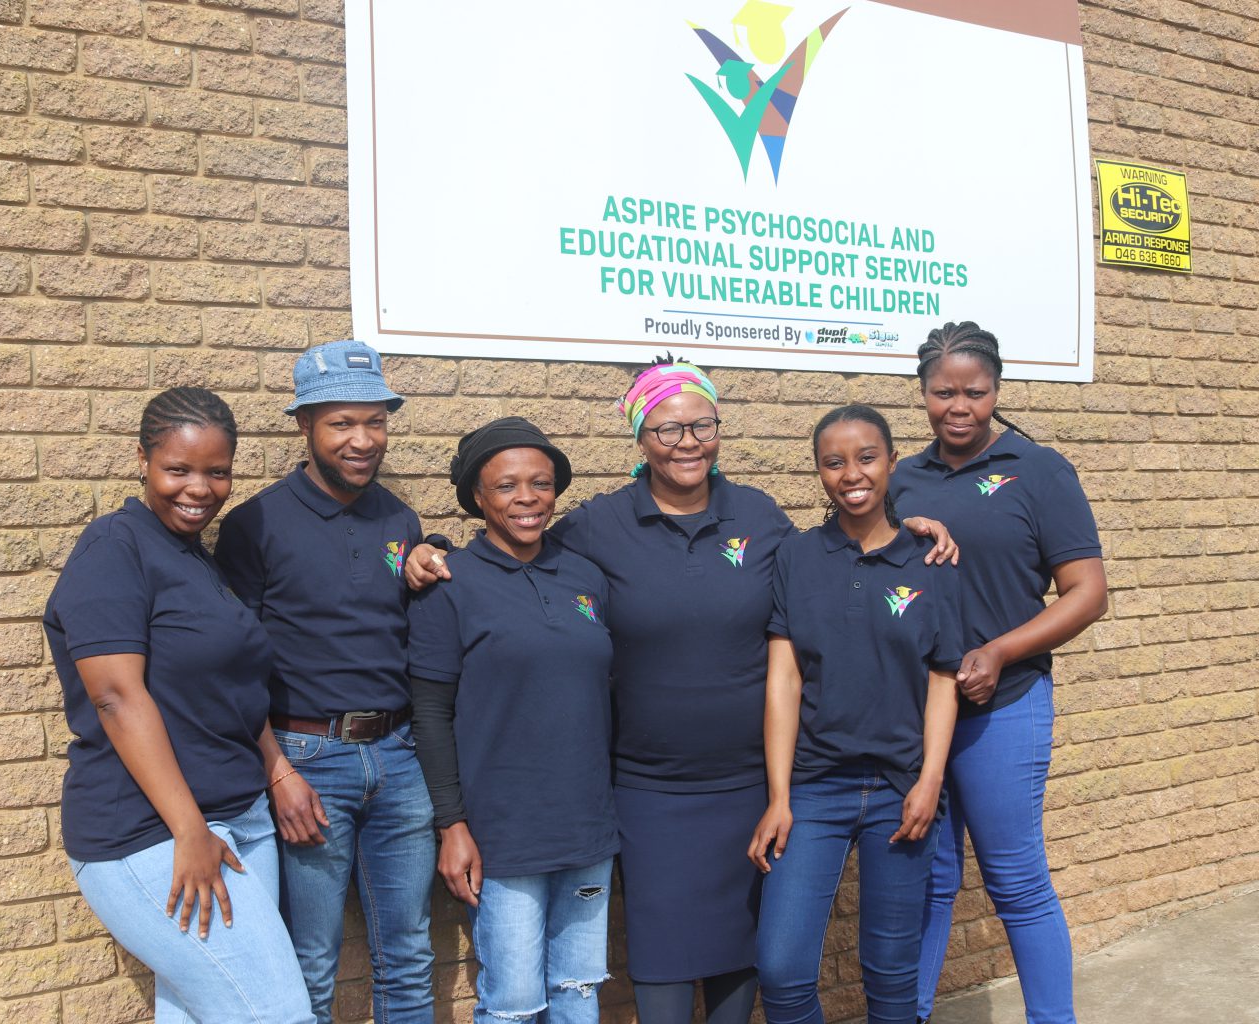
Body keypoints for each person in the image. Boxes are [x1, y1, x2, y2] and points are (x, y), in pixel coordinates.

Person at [405, 358, 958, 1024]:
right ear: (640, 439)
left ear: (719, 430)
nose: (687, 442)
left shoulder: (757, 515)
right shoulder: (600, 526)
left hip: (753, 788)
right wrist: (430, 547)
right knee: (663, 975)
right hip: (649, 791)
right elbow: (518, 544)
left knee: (745, 963)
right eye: (666, 430)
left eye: (701, 425)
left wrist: (916, 528)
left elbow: (838, 556)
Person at [45, 387, 313, 1024]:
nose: (199, 488)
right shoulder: (116, 547)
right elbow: (114, 696)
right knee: (276, 1013)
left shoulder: (196, 559)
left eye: (217, 472)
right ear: (142, 460)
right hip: (152, 832)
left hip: (240, 819)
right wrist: (189, 830)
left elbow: (229, 688)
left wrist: (276, 769)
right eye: (179, 469)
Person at [214, 340, 435, 1024]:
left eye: (375, 421)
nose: (362, 440)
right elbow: (231, 667)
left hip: (399, 759)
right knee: (309, 960)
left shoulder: (400, 519)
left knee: (410, 954)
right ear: (304, 425)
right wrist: (276, 771)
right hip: (308, 762)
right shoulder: (255, 523)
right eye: (342, 423)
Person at [894, 322, 1107, 1024]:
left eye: (975, 392)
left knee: (1015, 880)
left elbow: (1087, 593)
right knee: (927, 881)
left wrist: (1001, 652)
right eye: (942, 392)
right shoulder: (904, 477)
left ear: (997, 391)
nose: (958, 406)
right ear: (923, 393)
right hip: (923, 713)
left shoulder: (1039, 469)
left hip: (1003, 706)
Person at [749, 404, 962, 1024]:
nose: (852, 473)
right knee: (782, 972)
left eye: (866, 457)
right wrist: (780, 796)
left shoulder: (931, 560)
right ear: (819, 473)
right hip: (815, 789)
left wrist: (929, 783)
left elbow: (943, 679)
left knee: (892, 981)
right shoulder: (797, 557)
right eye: (833, 462)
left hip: (902, 791)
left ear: (893, 463)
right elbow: (783, 680)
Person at [409, 417, 618, 1024]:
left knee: (580, 990)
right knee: (514, 1004)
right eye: (506, 486)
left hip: (586, 829)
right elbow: (430, 712)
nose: (526, 498)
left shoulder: (585, 577)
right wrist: (452, 824)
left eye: (541, 483)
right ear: (477, 495)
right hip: (503, 836)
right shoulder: (449, 584)